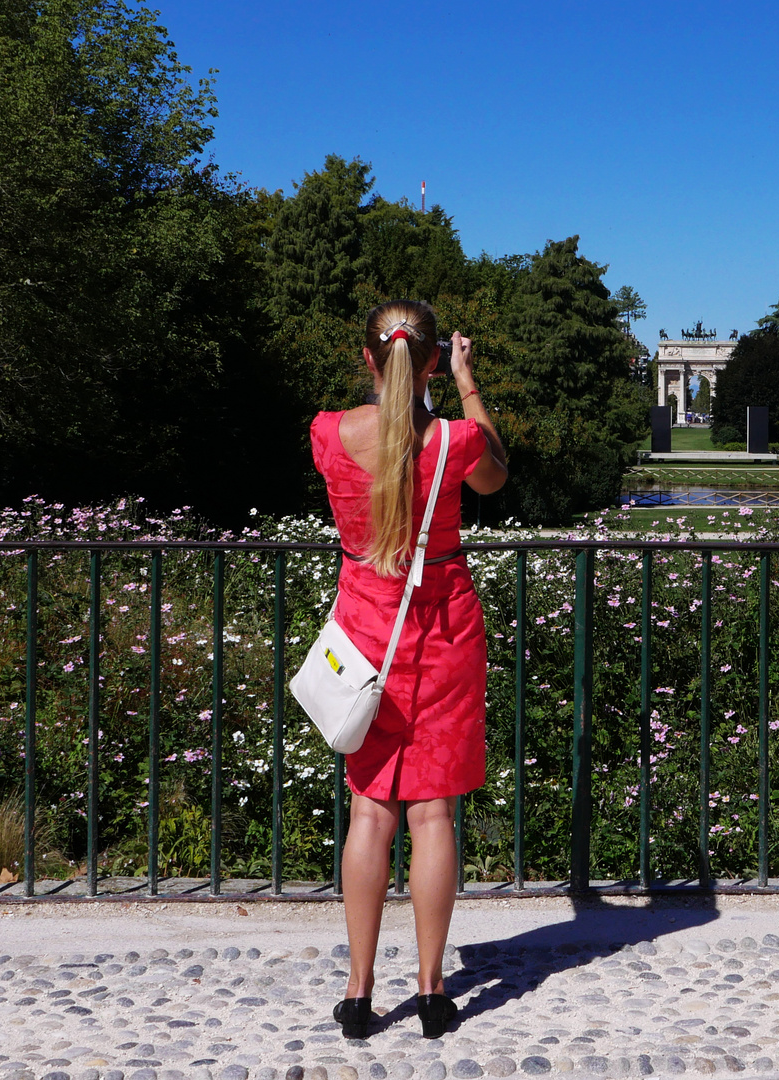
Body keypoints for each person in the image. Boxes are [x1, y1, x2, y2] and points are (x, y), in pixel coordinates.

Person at [308, 299, 509, 1040]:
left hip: (365, 636)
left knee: (370, 812)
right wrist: (466, 384)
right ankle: (431, 993)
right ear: (430, 361)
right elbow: (496, 476)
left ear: (368, 358)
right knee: (433, 815)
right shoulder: (455, 442)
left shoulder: (329, 432)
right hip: (444, 633)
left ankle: (359, 995)